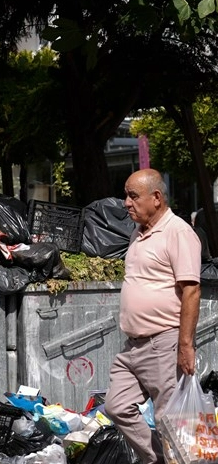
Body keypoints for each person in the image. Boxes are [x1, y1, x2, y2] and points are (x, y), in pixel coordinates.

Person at [104, 169, 201, 464]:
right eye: (126, 195)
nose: (126, 203)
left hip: (164, 342)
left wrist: (185, 345)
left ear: (156, 198)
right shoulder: (139, 233)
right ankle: (155, 459)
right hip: (134, 345)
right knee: (116, 405)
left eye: (133, 196)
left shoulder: (178, 232)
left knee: (169, 421)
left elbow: (192, 291)